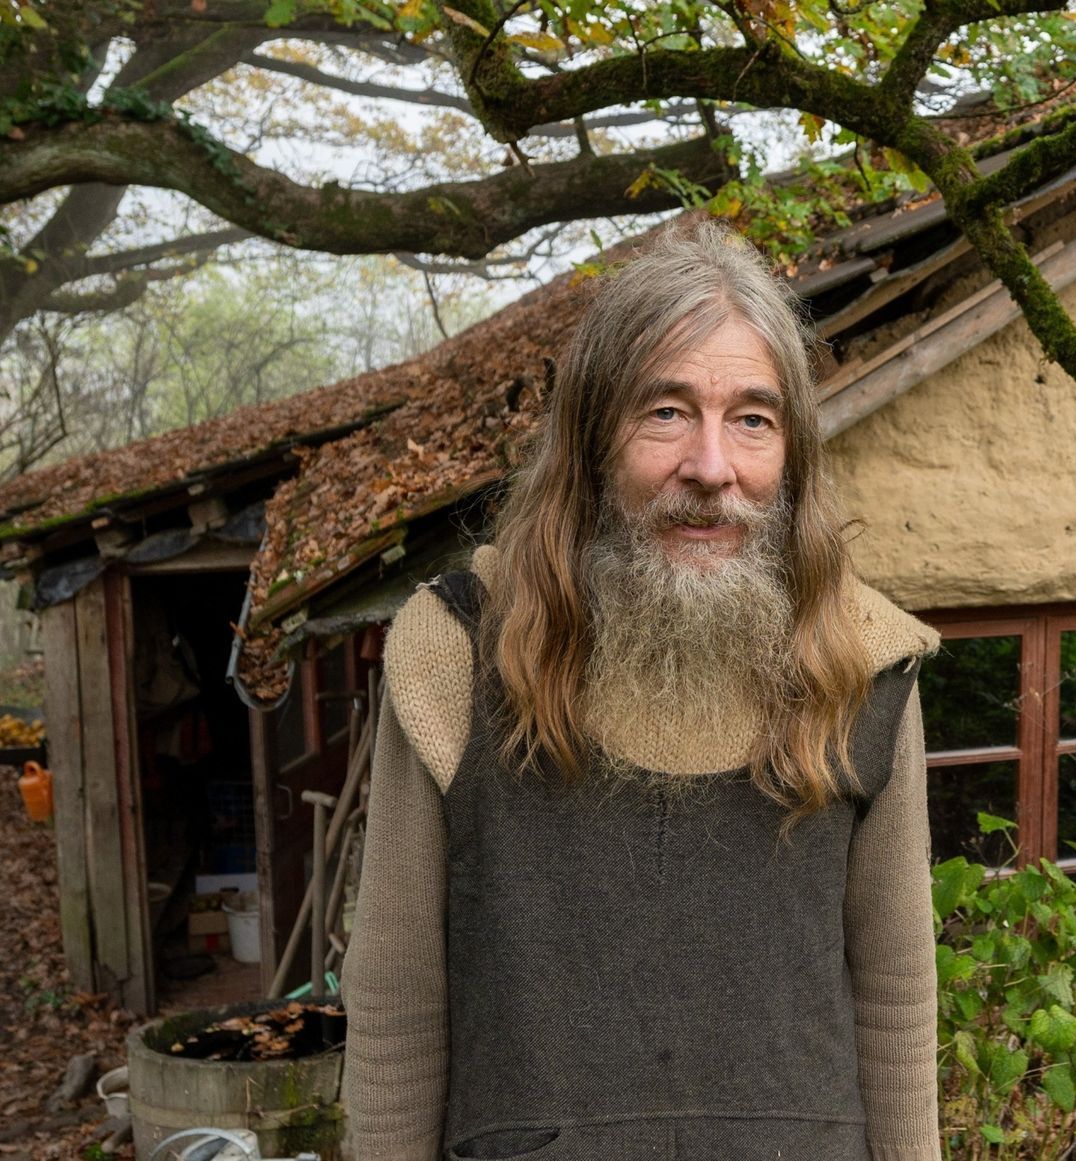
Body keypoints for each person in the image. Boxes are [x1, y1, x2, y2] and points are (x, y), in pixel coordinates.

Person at [339, 220, 943, 1160]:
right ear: (590, 442)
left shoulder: (866, 664)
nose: (711, 467)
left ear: (792, 453)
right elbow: (396, 1022)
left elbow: (899, 1012)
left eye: (753, 418)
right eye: (664, 412)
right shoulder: (453, 651)